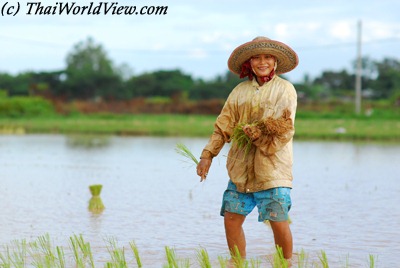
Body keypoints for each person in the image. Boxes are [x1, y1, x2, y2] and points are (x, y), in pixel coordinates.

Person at [196, 36, 299, 263]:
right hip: (240, 167)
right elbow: (223, 125)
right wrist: (207, 155)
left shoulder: (285, 89)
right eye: (257, 58)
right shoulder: (239, 91)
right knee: (231, 218)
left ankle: (286, 263)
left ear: (274, 62)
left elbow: (284, 129)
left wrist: (258, 134)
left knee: (278, 220)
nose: (262, 62)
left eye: (267, 57)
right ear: (250, 63)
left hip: (272, 169)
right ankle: (237, 263)